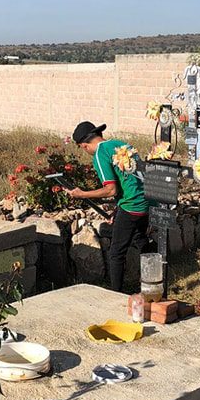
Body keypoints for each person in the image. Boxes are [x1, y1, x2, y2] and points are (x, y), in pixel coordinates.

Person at [68, 121, 151, 292]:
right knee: (140, 239)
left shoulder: (100, 154)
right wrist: (117, 210)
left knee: (116, 253)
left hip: (131, 205)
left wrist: (82, 194)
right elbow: (129, 181)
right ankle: (156, 277)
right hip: (146, 200)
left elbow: (111, 190)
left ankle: (116, 293)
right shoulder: (120, 144)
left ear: (84, 145)